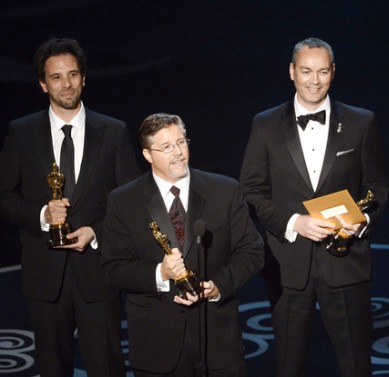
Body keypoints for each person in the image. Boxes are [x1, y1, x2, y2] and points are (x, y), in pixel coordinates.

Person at [240, 37, 389, 377]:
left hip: (347, 262)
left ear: (333, 72)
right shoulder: (264, 124)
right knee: (289, 365)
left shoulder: (361, 122)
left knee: (356, 364)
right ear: (292, 72)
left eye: (322, 71)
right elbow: (251, 190)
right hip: (287, 264)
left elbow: (378, 186)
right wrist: (294, 222)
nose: (314, 80)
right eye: (306, 71)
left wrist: (363, 219)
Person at [0, 37, 140, 376]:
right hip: (45, 278)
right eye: (57, 77)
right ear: (42, 84)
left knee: (107, 366)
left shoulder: (113, 131)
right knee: (52, 368)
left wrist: (96, 231)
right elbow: (4, 198)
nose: (66, 84)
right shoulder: (21, 133)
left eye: (73, 75)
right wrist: (42, 216)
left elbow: (133, 202)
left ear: (84, 78)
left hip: (97, 274)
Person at [100, 113, 264, 376]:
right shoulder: (123, 201)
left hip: (217, 340)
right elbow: (112, 268)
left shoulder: (224, 190)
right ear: (147, 155)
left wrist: (218, 285)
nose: (177, 152)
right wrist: (160, 273)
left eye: (181, 142)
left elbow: (252, 251)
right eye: (166, 147)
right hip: (157, 342)